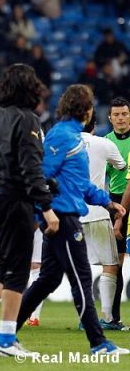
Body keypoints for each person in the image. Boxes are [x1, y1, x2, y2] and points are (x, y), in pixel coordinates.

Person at [15, 85, 129, 355]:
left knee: (47, 280)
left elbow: (80, 184)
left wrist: (108, 202)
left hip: (66, 214)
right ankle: (99, 343)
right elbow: (39, 176)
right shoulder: (62, 136)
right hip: (62, 218)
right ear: (85, 109)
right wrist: (45, 211)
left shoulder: (73, 136)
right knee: (82, 278)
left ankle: (7, 334)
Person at [0, 64, 58, 357]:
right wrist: (46, 207)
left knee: (6, 267)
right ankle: (6, 341)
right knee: (18, 272)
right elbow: (31, 166)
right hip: (15, 200)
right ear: (30, 87)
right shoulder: (28, 119)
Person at [80, 112, 126, 328]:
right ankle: (107, 318)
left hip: (70, 214)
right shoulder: (104, 143)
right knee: (110, 265)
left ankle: (84, 318)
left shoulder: (64, 144)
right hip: (97, 212)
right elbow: (121, 166)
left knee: (78, 266)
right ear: (95, 126)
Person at [107, 98, 130, 332]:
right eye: (117, 114)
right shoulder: (106, 143)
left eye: (124, 113)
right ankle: (113, 318)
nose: (121, 118)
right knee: (117, 263)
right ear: (110, 118)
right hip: (115, 203)